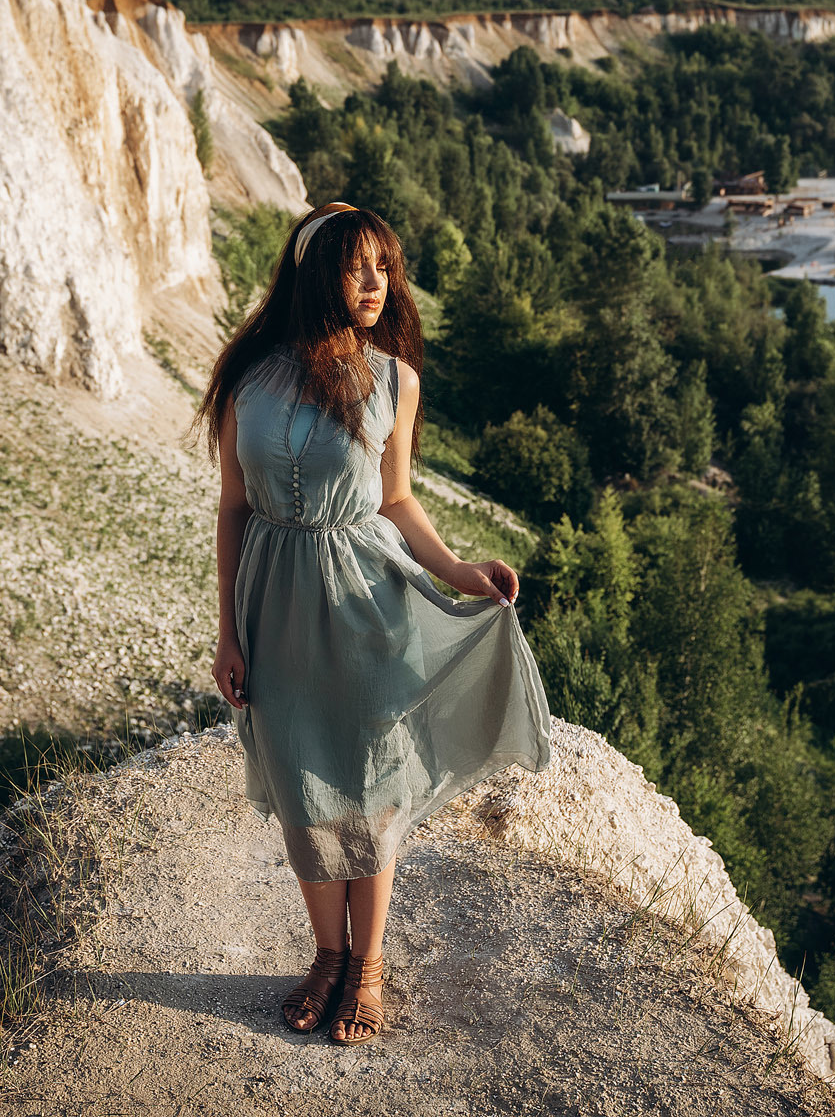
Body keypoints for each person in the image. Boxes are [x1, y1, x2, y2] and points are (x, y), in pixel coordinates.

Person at [199, 201, 553, 1045]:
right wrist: (227, 631)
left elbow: (395, 500)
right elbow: (232, 508)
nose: (374, 284)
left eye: (384, 268)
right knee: (301, 785)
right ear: (316, 274)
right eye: (357, 267)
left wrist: (462, 571)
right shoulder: (246, 379)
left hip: (367, 601)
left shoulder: (395, 378)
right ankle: (326, 954)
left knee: (372, 785)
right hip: (274, 603)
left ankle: (368, 965)